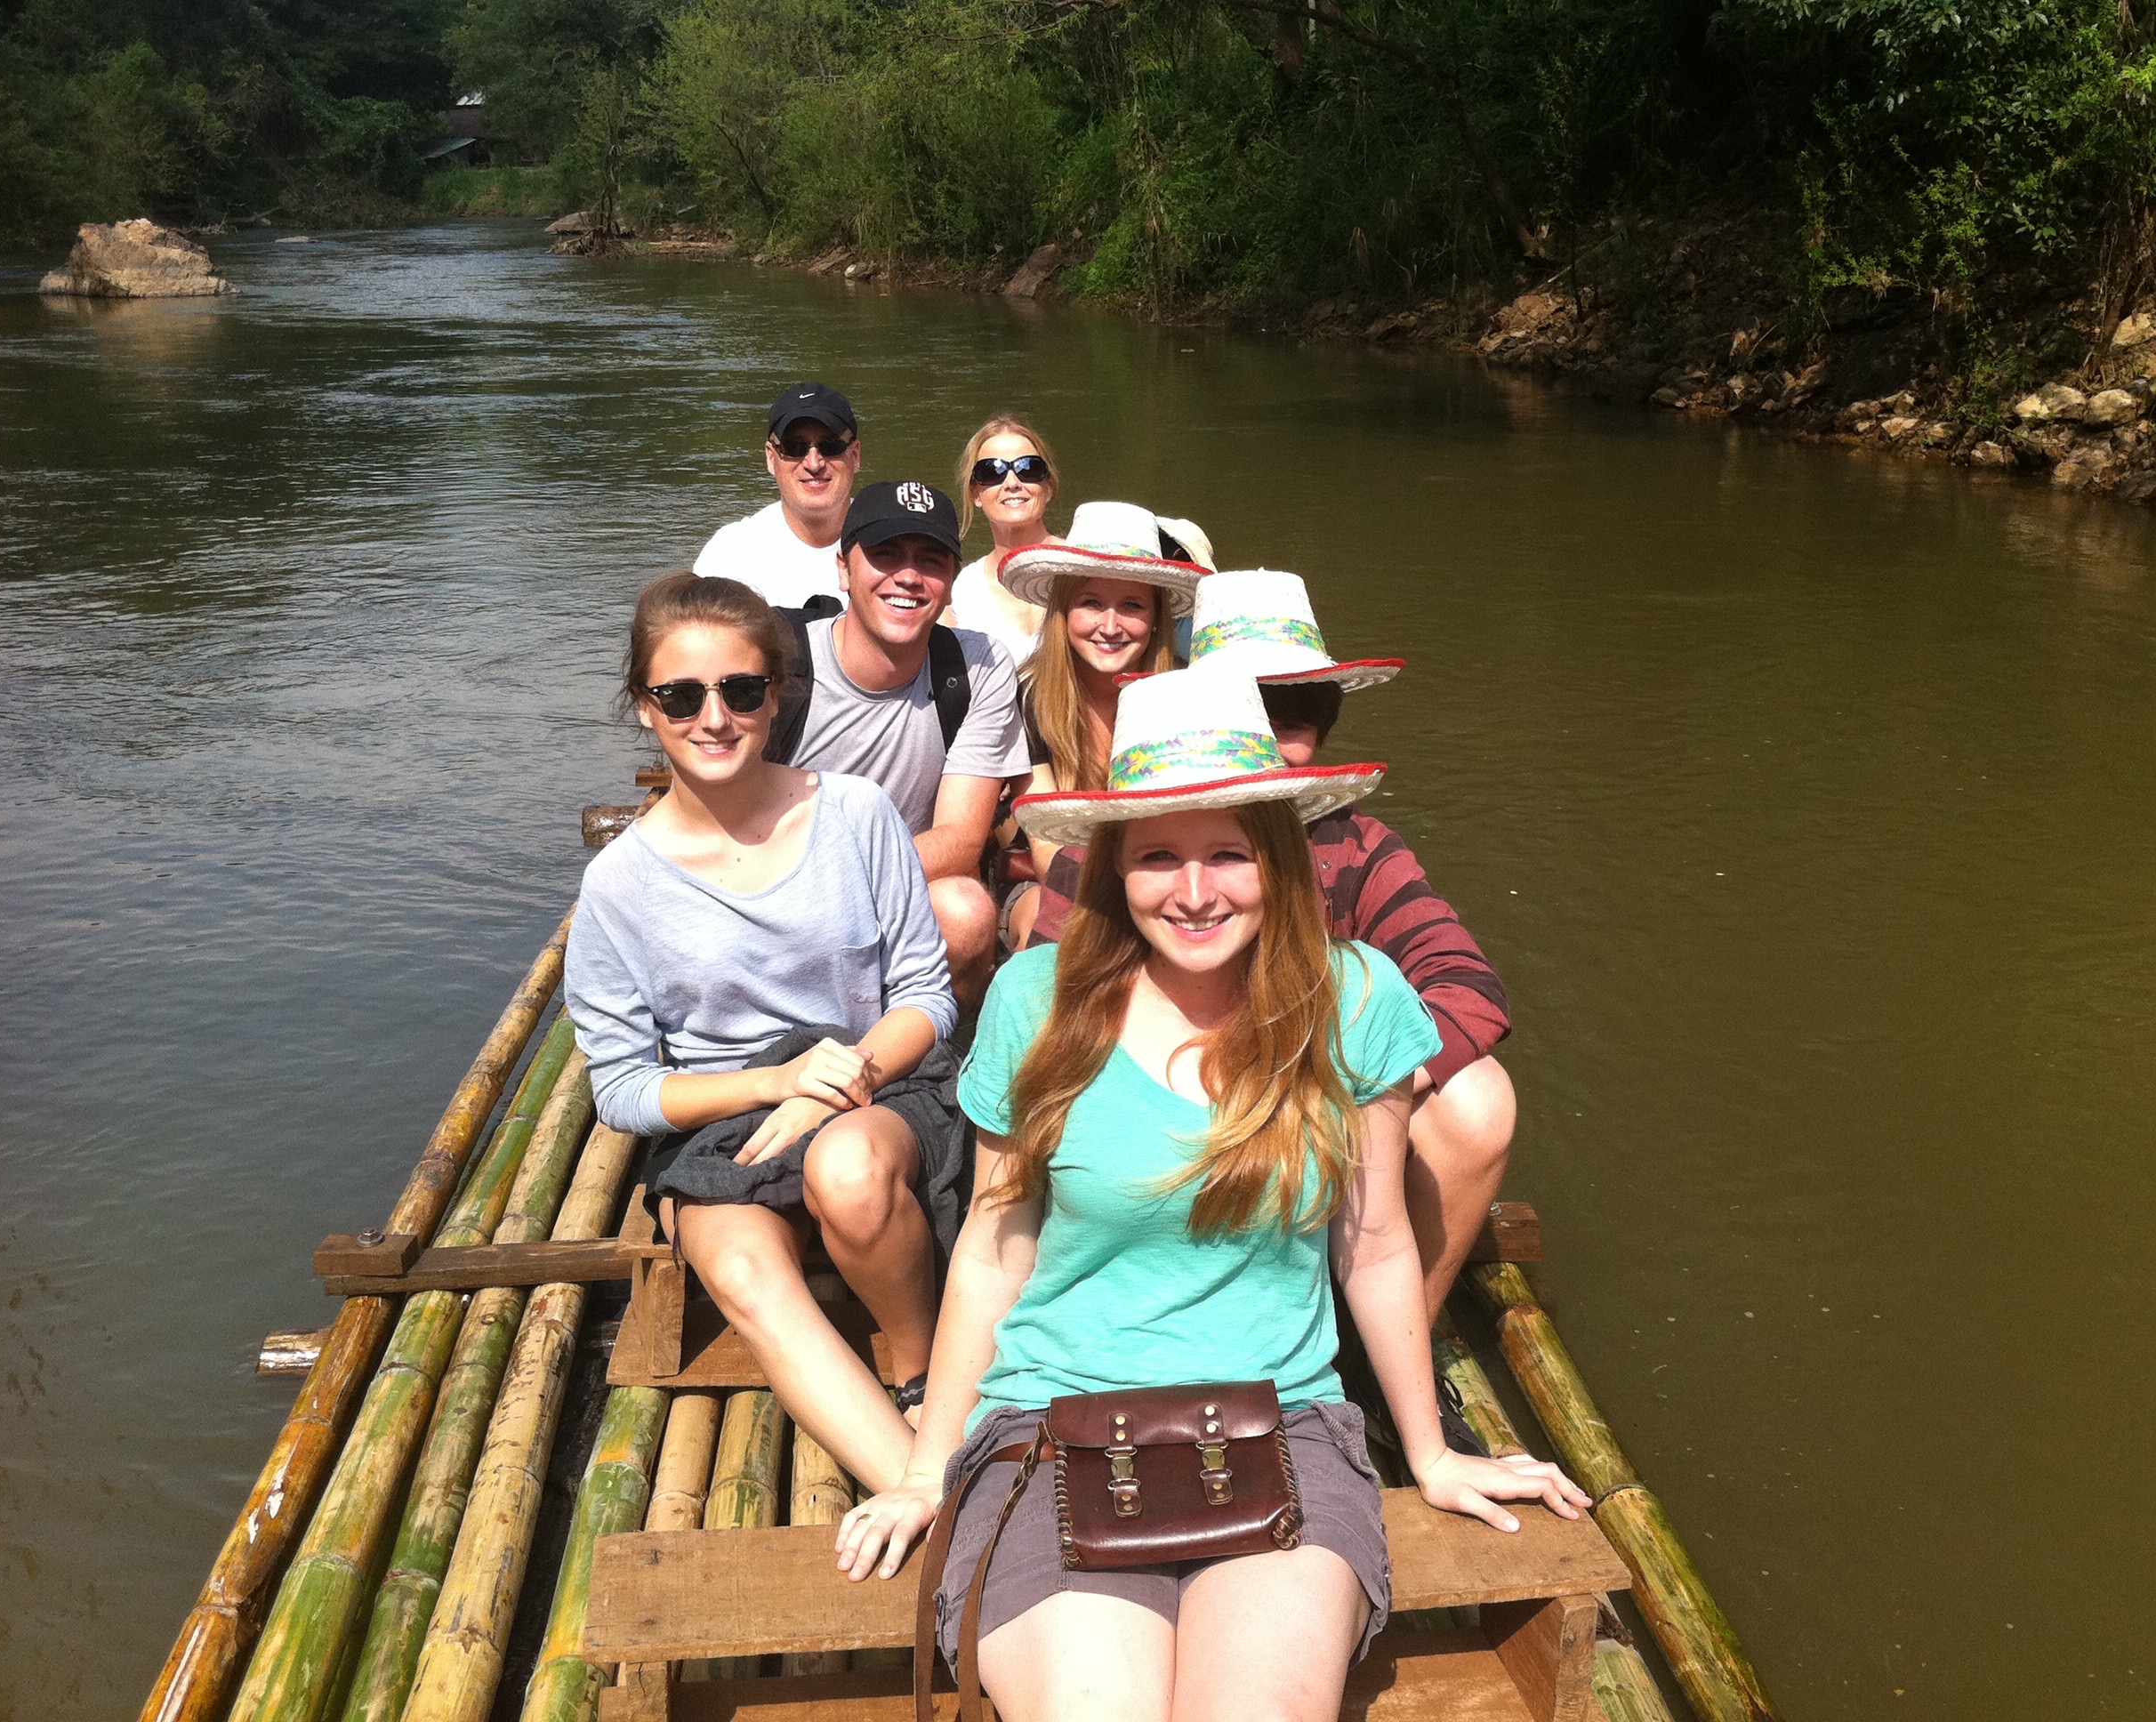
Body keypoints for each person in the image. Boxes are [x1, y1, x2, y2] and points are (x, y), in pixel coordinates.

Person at [832, 668, 1589, 1722]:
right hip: (1053, 1420)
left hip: (1281, 1424)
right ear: (1114, 868)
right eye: (1158, 858)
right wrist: (927, 1466)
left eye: (1229, 852)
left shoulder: (1357, 995)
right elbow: (996, 1243)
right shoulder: (1034, 1002)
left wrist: (1428, 1451)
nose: (1195, 891)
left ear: (1279, 858)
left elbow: (1371, 1246)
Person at [1030, 573, 1516, 1372]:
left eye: (1294, 721)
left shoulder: (1360, 845)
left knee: (1480, 1096)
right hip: (1154, 1117)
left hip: (1313, 1112)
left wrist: (1361, 1090)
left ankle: (1381, 1361)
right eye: (1252, 718)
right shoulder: (1110, 845)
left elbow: (1465, 981)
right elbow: (1046, 999)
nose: (1272, 746)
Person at [566, 572, 962, 1490]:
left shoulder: (857, 814)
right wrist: (769, 1085)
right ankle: (924, 1496)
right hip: (730, 1114)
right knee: (741, 1268)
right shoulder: (619, 886)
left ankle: (921, 1375)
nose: (715, 716)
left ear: (775, 696)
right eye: (682, 695)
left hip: (878, 1081)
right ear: (644, 706)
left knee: (850, 1171)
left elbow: (927, 998)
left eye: (742, 690)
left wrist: (845, 1074)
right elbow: (622, 1088)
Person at [775, 479, 1028, 997]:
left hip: (901, 883)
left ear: (953, 580)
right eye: (886, 555)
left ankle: (938, 1052)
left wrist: (841, 884)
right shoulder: (777, 660)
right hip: (773, 881)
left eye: (931, 560)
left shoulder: (977, 666)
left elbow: (959, 840)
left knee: (965, 908)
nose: (909, 577)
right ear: (844, 568)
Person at [989, 500, 1206, 946]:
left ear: (1156, 617)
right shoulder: (1022, 696)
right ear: (1064, 611)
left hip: (1169, 871)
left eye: (1131, 605)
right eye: (1091, 603)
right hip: (1050, 878)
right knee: (1053, 918)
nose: (1110, 626)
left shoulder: (1189, 692)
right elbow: (1049, 851)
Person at [693, 382, 862, 609]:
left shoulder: (895, 544)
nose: (813, 463)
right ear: (771, 458)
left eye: (830, 445)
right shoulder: (730, 555)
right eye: (795, 447)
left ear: (856, 455)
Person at [942, 415, 1063, 670]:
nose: (1012, 483)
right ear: (975, 493)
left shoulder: (1086, 566)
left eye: (1028, 469)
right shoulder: (960, 592)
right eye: (991, 471)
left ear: (1048, 486)